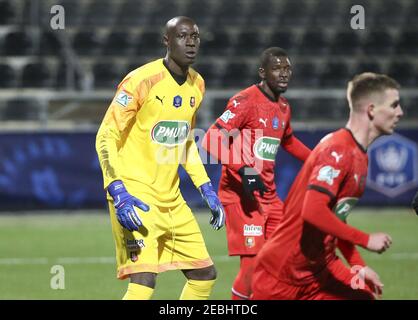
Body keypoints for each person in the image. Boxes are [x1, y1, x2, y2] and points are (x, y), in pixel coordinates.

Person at [95, 16, 225, 300]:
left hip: (172, 200)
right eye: (182, 36)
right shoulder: (141, 80)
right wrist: (117, 189)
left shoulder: (197, 85)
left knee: (204, 274)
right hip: (135, 195)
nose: (190, 41)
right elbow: (105, 135)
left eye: (195, 36)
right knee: (144, 281)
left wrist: (205, 188)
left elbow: (184, 141)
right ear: (167, 41)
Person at [251, 72, 403, 300]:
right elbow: (313, 211)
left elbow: (335, 218)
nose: (400, 112)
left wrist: (356, 265)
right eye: (394, 105)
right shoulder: (338, 150)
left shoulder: (359, 156)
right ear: (372, 109)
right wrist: (365, 239)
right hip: (282, 274)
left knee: (364, 296)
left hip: (319, 269)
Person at [202, 47, 311, 300]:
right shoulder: (245, 101)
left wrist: (319, 158)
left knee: (283, 260)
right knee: (252, 265)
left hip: (270, 198)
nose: (284, 74)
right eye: (277, 68)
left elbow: (289, 140)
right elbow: (211, 140)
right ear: (263, 72)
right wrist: (244, 169)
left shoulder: (283, 106)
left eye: (287, 69)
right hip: (241, 197)